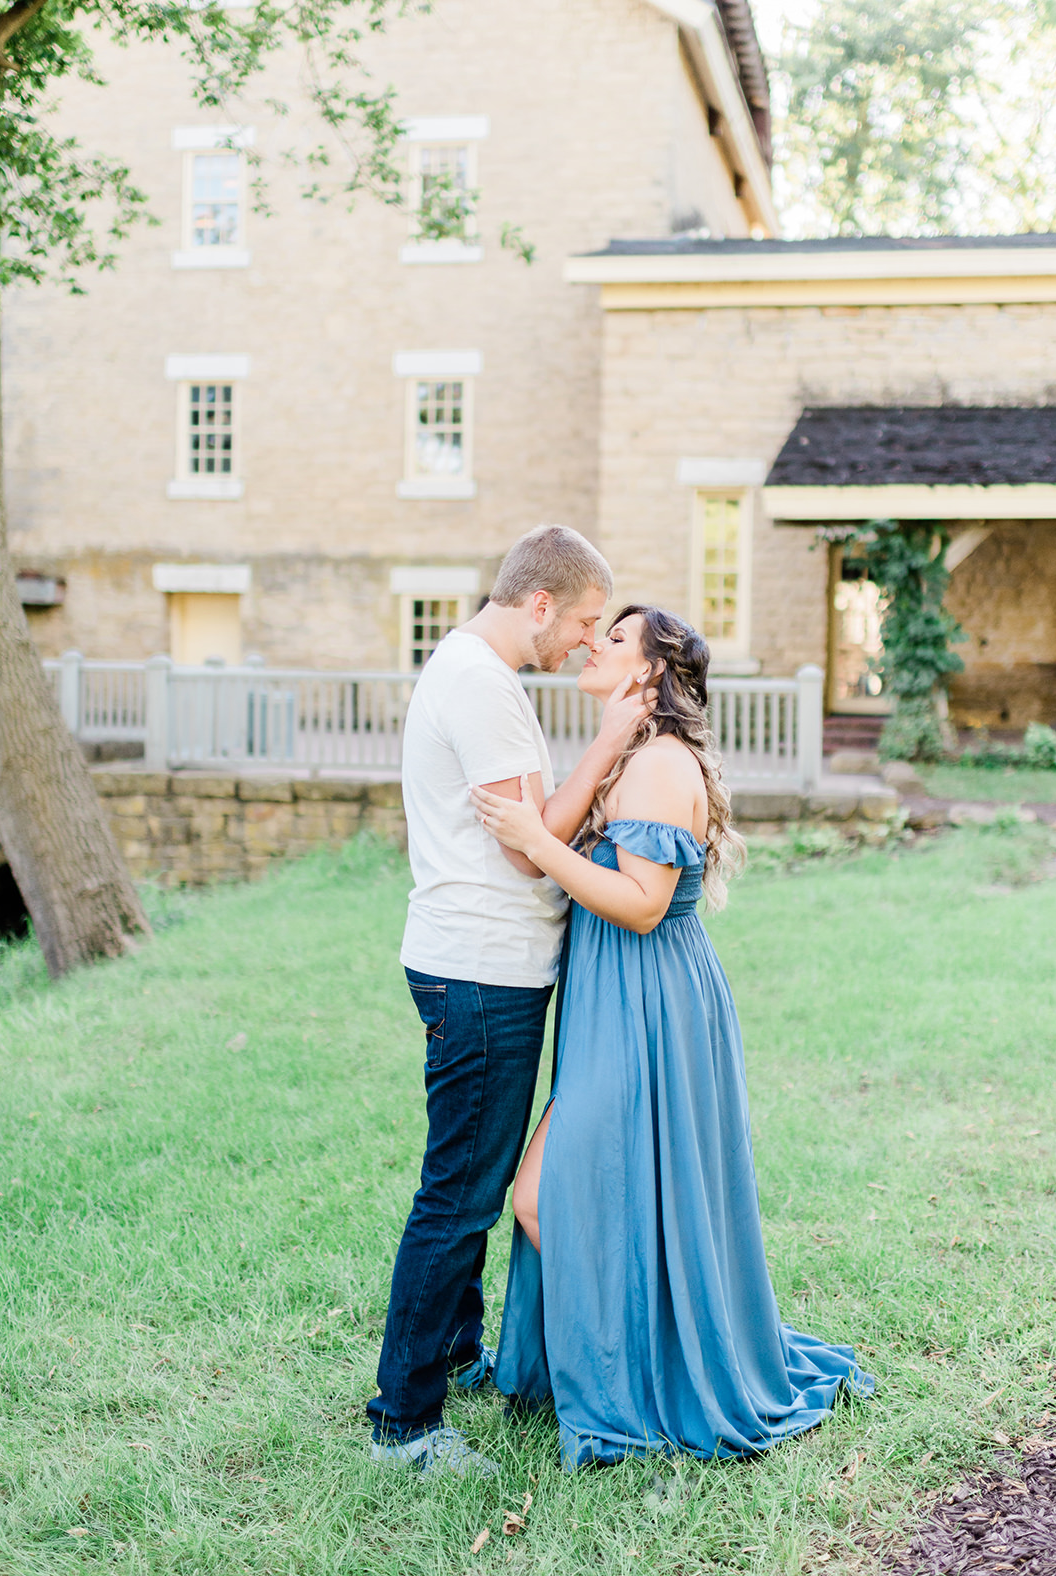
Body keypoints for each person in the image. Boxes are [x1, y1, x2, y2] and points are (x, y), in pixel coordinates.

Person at [472, 604, 873, 1469]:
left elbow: (644, 906)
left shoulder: (657, 765)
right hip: (618, 996)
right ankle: (628, 1355)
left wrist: (536, 841)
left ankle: (637, 1375)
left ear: (650, 674)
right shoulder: (629, 754)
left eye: (613, 639)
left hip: (648, 997)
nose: (592, 644)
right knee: (606, 1189)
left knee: (543, 1196)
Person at [368, 526, 654, 1477]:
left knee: (466, 1181)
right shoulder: (483, 686)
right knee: (460, 1194)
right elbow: (525, 843)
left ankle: (452, 1349)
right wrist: (612, 738)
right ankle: (405, 1423)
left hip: (478, 962)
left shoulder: (471, 671)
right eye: (579, 621)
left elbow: (527, 825)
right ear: (540, 604)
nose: (583, 641)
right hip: (482, 970)